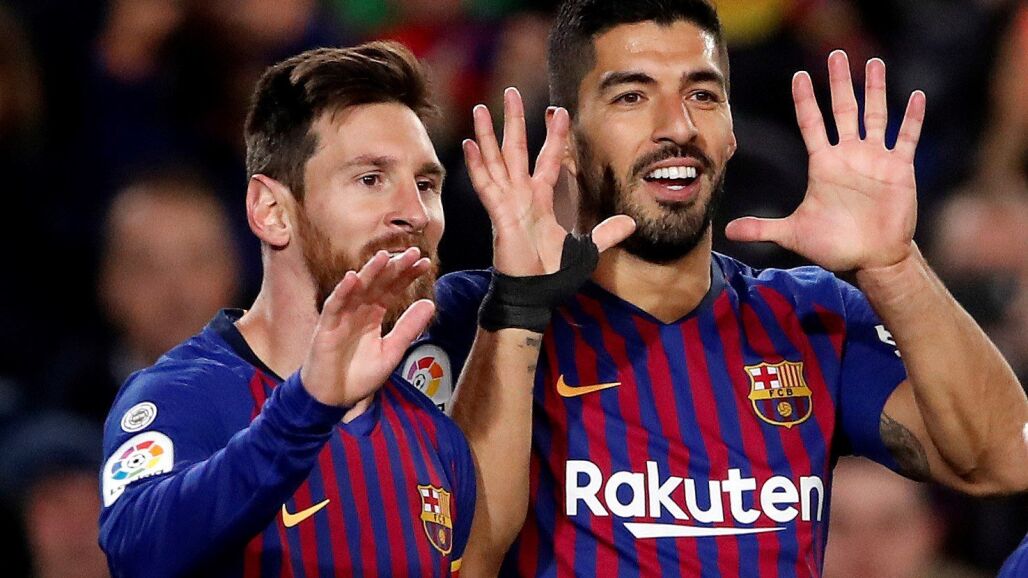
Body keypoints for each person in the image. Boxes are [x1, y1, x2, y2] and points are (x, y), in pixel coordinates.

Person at [411, 0, 1028, 575]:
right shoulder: (472, 319)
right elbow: (454, 558)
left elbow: (1004, 459)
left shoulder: (808, 317)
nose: (677, 126)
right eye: (632, 96)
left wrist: (894, 266)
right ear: (567, 137)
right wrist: (518, 308)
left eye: (702, 95)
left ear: (731, 131)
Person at [99, 42, 476, 577]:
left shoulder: (435, 440)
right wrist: (306, 409)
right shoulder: (181, 397)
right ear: (271, 211)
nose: (415, 213)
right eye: (371, 179)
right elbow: (137, 553)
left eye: (425, 185)